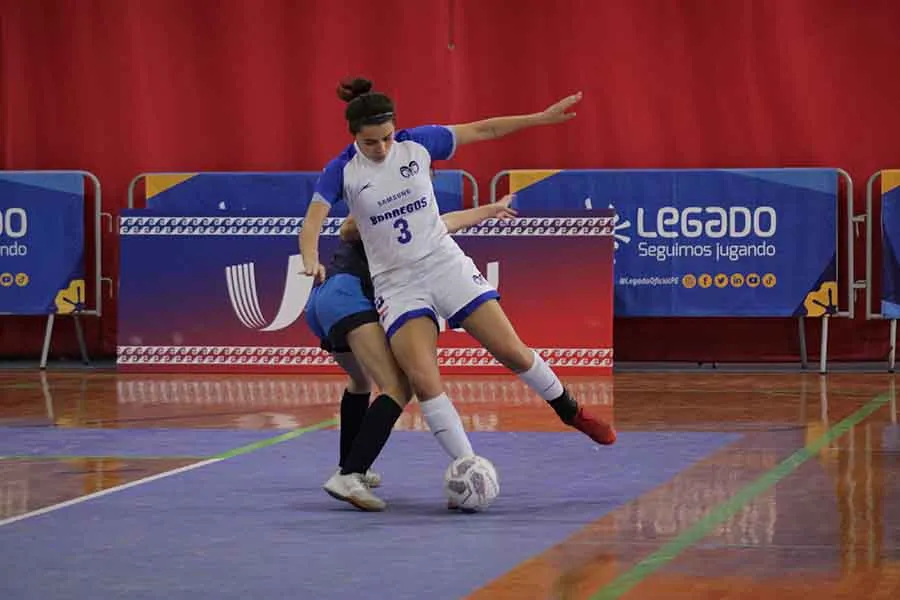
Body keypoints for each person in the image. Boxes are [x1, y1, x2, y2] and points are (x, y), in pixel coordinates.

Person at [300, 77, 616, 511]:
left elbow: (484, 129)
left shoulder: (418, 144)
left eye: (387, 137)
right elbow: (312, 222)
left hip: (444, 264)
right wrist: (310, 257)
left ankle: (571, 411)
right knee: (423, 379)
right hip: (397, 285)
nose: (382, 148)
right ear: (354, 136)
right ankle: (468, 465)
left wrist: (539, 119)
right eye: (371, 142)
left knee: (511, 350)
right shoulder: (342, 171)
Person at [303, 183, 518, 509]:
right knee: (398, 386)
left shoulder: (413, 218)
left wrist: (491, 209)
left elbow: (448, 222)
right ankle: (349, 475)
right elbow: (347, 227)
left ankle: (352, 465)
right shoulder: (385, 203)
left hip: (323, 298)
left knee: (360, 380)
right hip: (349, 293)